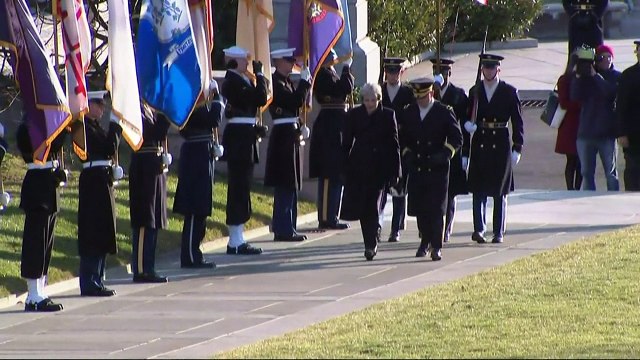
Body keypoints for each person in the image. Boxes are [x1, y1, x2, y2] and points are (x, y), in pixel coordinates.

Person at [464, 54, 524, 244]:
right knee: (478, 189)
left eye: (492, 68)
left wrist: (518, 146)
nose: (488, 71)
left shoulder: (509, 92)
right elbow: (468, 116)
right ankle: (479, 229)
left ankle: (498, 231)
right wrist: (469, 128)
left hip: (500, 142)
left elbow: (517, 122)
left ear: (498, 69)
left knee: (500, 191)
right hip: (481, 140)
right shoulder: (475, 91)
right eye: (485, 68)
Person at [402, 77, 463, 260]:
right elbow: (403, 137)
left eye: (423, 97)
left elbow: (456, 137)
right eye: (417, 97)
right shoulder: (409, 112)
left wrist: (445, 154)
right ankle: (424, 241)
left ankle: (436, 246)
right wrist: (407, 153)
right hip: (418, 166)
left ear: (431, 93)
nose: (420, 101)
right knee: (421, 209)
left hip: (437, 168)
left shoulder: (443, 111)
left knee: (436, 210)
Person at [340, 83, 401, 260]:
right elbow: (346, 143)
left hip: (380, 168)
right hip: (359, 166)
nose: (369, 103)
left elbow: (394, 144)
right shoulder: (354, 115)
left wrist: (396, 171)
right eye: (366, 100)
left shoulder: (388, 115)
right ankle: (369, 241)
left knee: (374, 207)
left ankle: (372, 242)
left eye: (373, 100)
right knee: (363, 207)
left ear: (379, 99)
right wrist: (343, 167)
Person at [220, 45, 266, 255]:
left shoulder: (241, 80)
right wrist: (260, 75)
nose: (248, 63)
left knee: (243, 187)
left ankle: (239, 237)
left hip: (245, 136)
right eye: (244, 60)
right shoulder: (232, 82)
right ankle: (234, 240)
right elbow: (260, 98)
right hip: (239, 139)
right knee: (238, 188)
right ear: (234, 61)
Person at [173, 79, 225, 267]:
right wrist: (218, 99)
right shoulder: (190, 104)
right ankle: (190, 255)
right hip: (196, 155)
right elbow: (214, 120)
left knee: (202, 206)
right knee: (195, 208)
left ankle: (195, 252)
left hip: (203, 151)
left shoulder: (196, 103)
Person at [17, 120, 67, 311]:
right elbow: (51, 145)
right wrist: (62, 127)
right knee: (35, 243)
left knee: (46, 242)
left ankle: (40, 289)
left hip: (48, 185)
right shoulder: (27, 129)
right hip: (37, 186)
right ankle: (33, 294)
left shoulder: (40, 128)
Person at [77, 91, 123, 296]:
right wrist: (115, 125)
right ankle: (90, 280)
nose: (103, 109)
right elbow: (108, 147)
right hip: (94, 181)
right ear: (88, 105)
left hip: (102, 178)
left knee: (104, 228)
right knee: (93, 230)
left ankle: (98, 276)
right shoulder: (84, 127)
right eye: (99, 104)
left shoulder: (95, 126)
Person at [265, 48, 312, 242]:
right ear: (277, 62)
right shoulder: (275, 83)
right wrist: (304, 83)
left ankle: (289, 226)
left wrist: (301, 125)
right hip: (283, 136)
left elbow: (295, 108)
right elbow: (294, 101)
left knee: (292, 183)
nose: (292, 62)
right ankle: (283, 228)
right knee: (285, 182)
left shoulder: (286, 82)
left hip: (291, 132)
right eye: (288, 60)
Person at [309, 50, 354, 230]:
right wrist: (345, 70)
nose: (335, 59)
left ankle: (332, 214)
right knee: (329, 175)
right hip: (329, 127)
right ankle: (327, 217)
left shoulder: (330, 73)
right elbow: (345, 88)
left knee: (336, 174)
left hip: (337, 124)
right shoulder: (323, 74)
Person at [129, 104, 172, 283]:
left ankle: (150, 266)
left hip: (154, 165)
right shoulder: (134, 108)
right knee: (145, 219)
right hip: (143, 167)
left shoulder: (149, 109)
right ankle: (141, 269)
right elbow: (153, 132)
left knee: (154, 218)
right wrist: (168, 112)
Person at [570, 44, 621, 191]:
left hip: (607, 133)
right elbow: (574, 96)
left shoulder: (617, 76)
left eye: (609, 57)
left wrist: (595, 76)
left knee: (611, 174)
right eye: (602, 57)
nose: (606, 60)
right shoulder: (585, 77)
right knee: (586, 173)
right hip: (586, 132)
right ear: (596, 60)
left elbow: (610, 93)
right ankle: (588, 203)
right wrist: (578, 76)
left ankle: (613, 201)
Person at [431, 58, 470, 243]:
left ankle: (447, 228)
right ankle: (431, 229)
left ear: (449, 73)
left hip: (452, 150)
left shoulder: (458, 94)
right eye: (437, 72)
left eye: (444, 72)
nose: (441, 75)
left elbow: (464, 125)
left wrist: (466, 153)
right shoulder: (429, 93)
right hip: (433, 148)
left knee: (451, 192)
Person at [378, 57, 415, 243]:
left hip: (401, 144)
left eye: (395, 72)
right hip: (383, 144)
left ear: (401, 72)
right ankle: (377, 226)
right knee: (381, 190)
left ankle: (395, 228)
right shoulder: (380, 91)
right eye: (389, 72)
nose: (392, 75)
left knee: (400, 190)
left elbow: (412, 120)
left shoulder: (408, 93)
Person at [555, 52, 583, 191]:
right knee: (572, 159)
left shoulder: (583, 79)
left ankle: (576, 188)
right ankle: (571, 189)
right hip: (570, 125)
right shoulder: (565, 80)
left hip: (579, 124)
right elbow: (564, 103)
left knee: (579, 161)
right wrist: (581, 104)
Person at [616, 40, 640, 191]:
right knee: (633, 169)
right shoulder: (629, 75)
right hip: (634, 133)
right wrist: (621, 133)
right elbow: (621, 106)